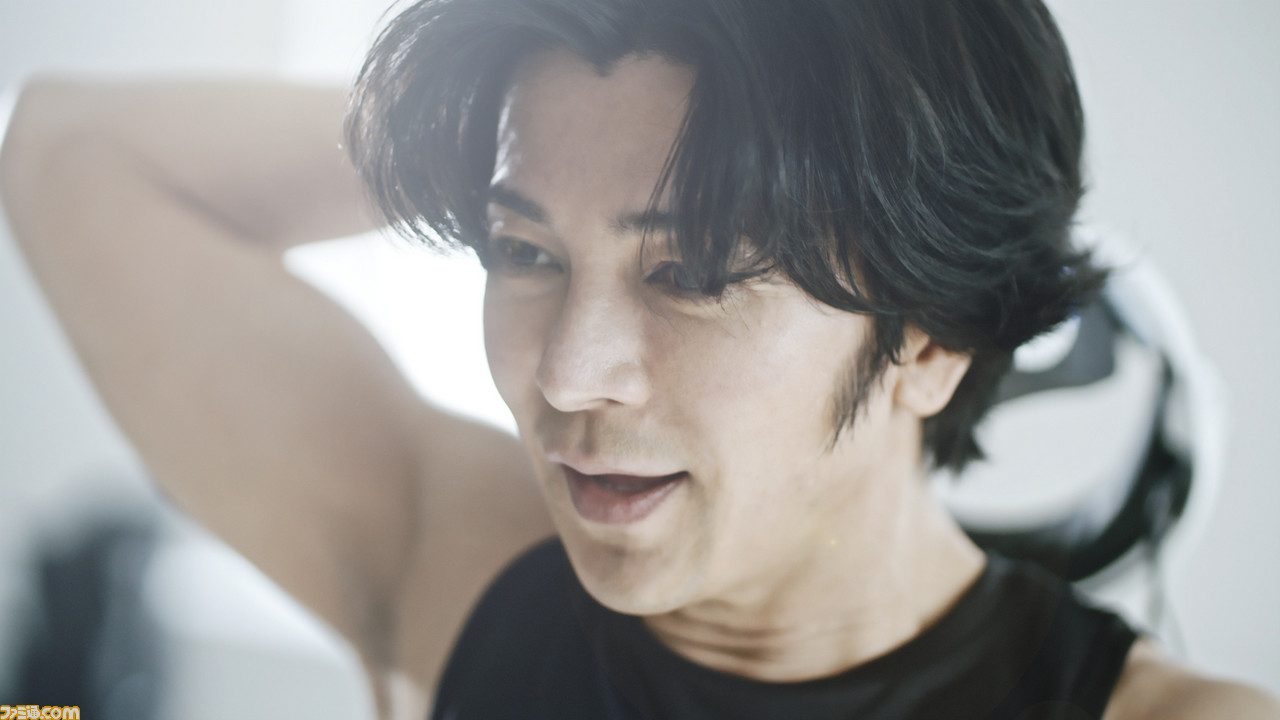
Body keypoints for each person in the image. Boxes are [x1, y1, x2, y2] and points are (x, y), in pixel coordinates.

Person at [1, 0, 1276, 718]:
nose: (568, 375)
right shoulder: (450, 565)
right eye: (524, 250)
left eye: (693, 273)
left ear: (930, 333)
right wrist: (481, 131)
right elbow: (66, 151)